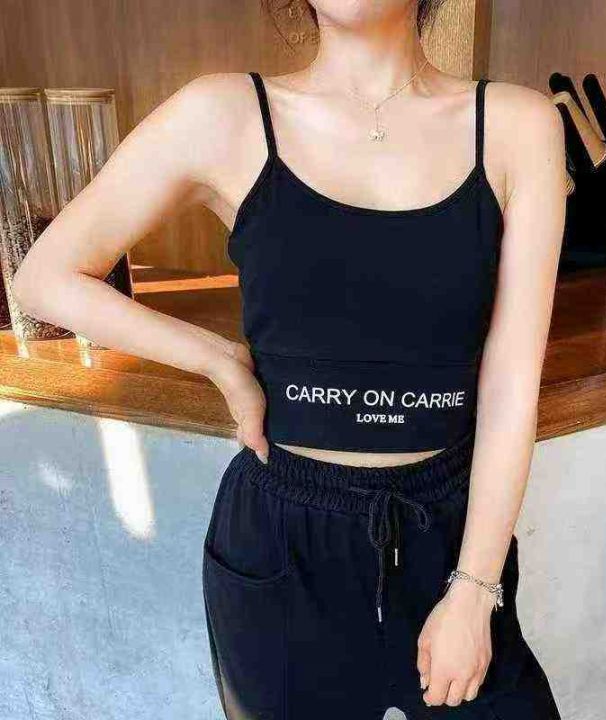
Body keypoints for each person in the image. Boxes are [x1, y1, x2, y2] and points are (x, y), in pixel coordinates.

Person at [13, 0, 567, 717]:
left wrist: (474, 588)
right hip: (281, 545)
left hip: (454, 537)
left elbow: (513, 382)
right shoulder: (223, 114)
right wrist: (215, 357)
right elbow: (45, 277)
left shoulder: (520, 126)